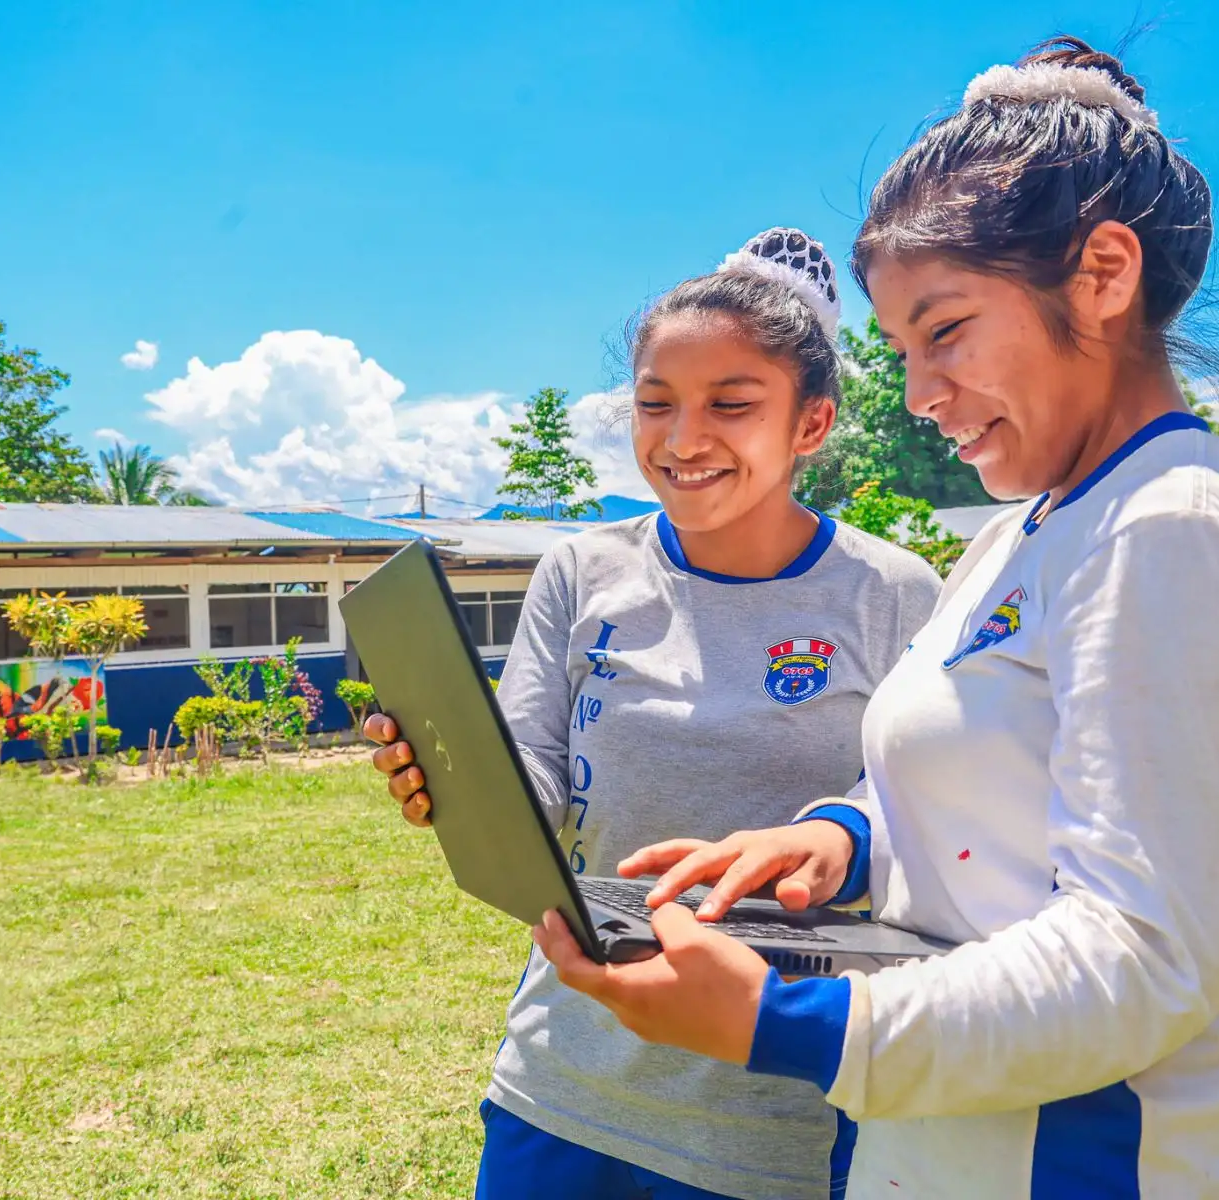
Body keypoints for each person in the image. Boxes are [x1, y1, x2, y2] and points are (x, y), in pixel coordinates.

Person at [533, 37, 1219, 1200]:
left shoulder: (1172, 530)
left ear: (1103, 276)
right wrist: (841, 839)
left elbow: (1140, 957)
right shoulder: (1026, 532)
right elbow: (994, 800)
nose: (917, 393)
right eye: (902, 349)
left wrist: (784, 1021)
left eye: (946, 331)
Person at [366, 228, 942, 1199]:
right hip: (562, 1078)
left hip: (770, 1111)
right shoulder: (582, 571)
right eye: (655, 404)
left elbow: (919, 807)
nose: (683, 440)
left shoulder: (891, 595)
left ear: (812, 424)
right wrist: (457, 778)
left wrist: (840, 830)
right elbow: (536, 776)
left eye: (731, 404)